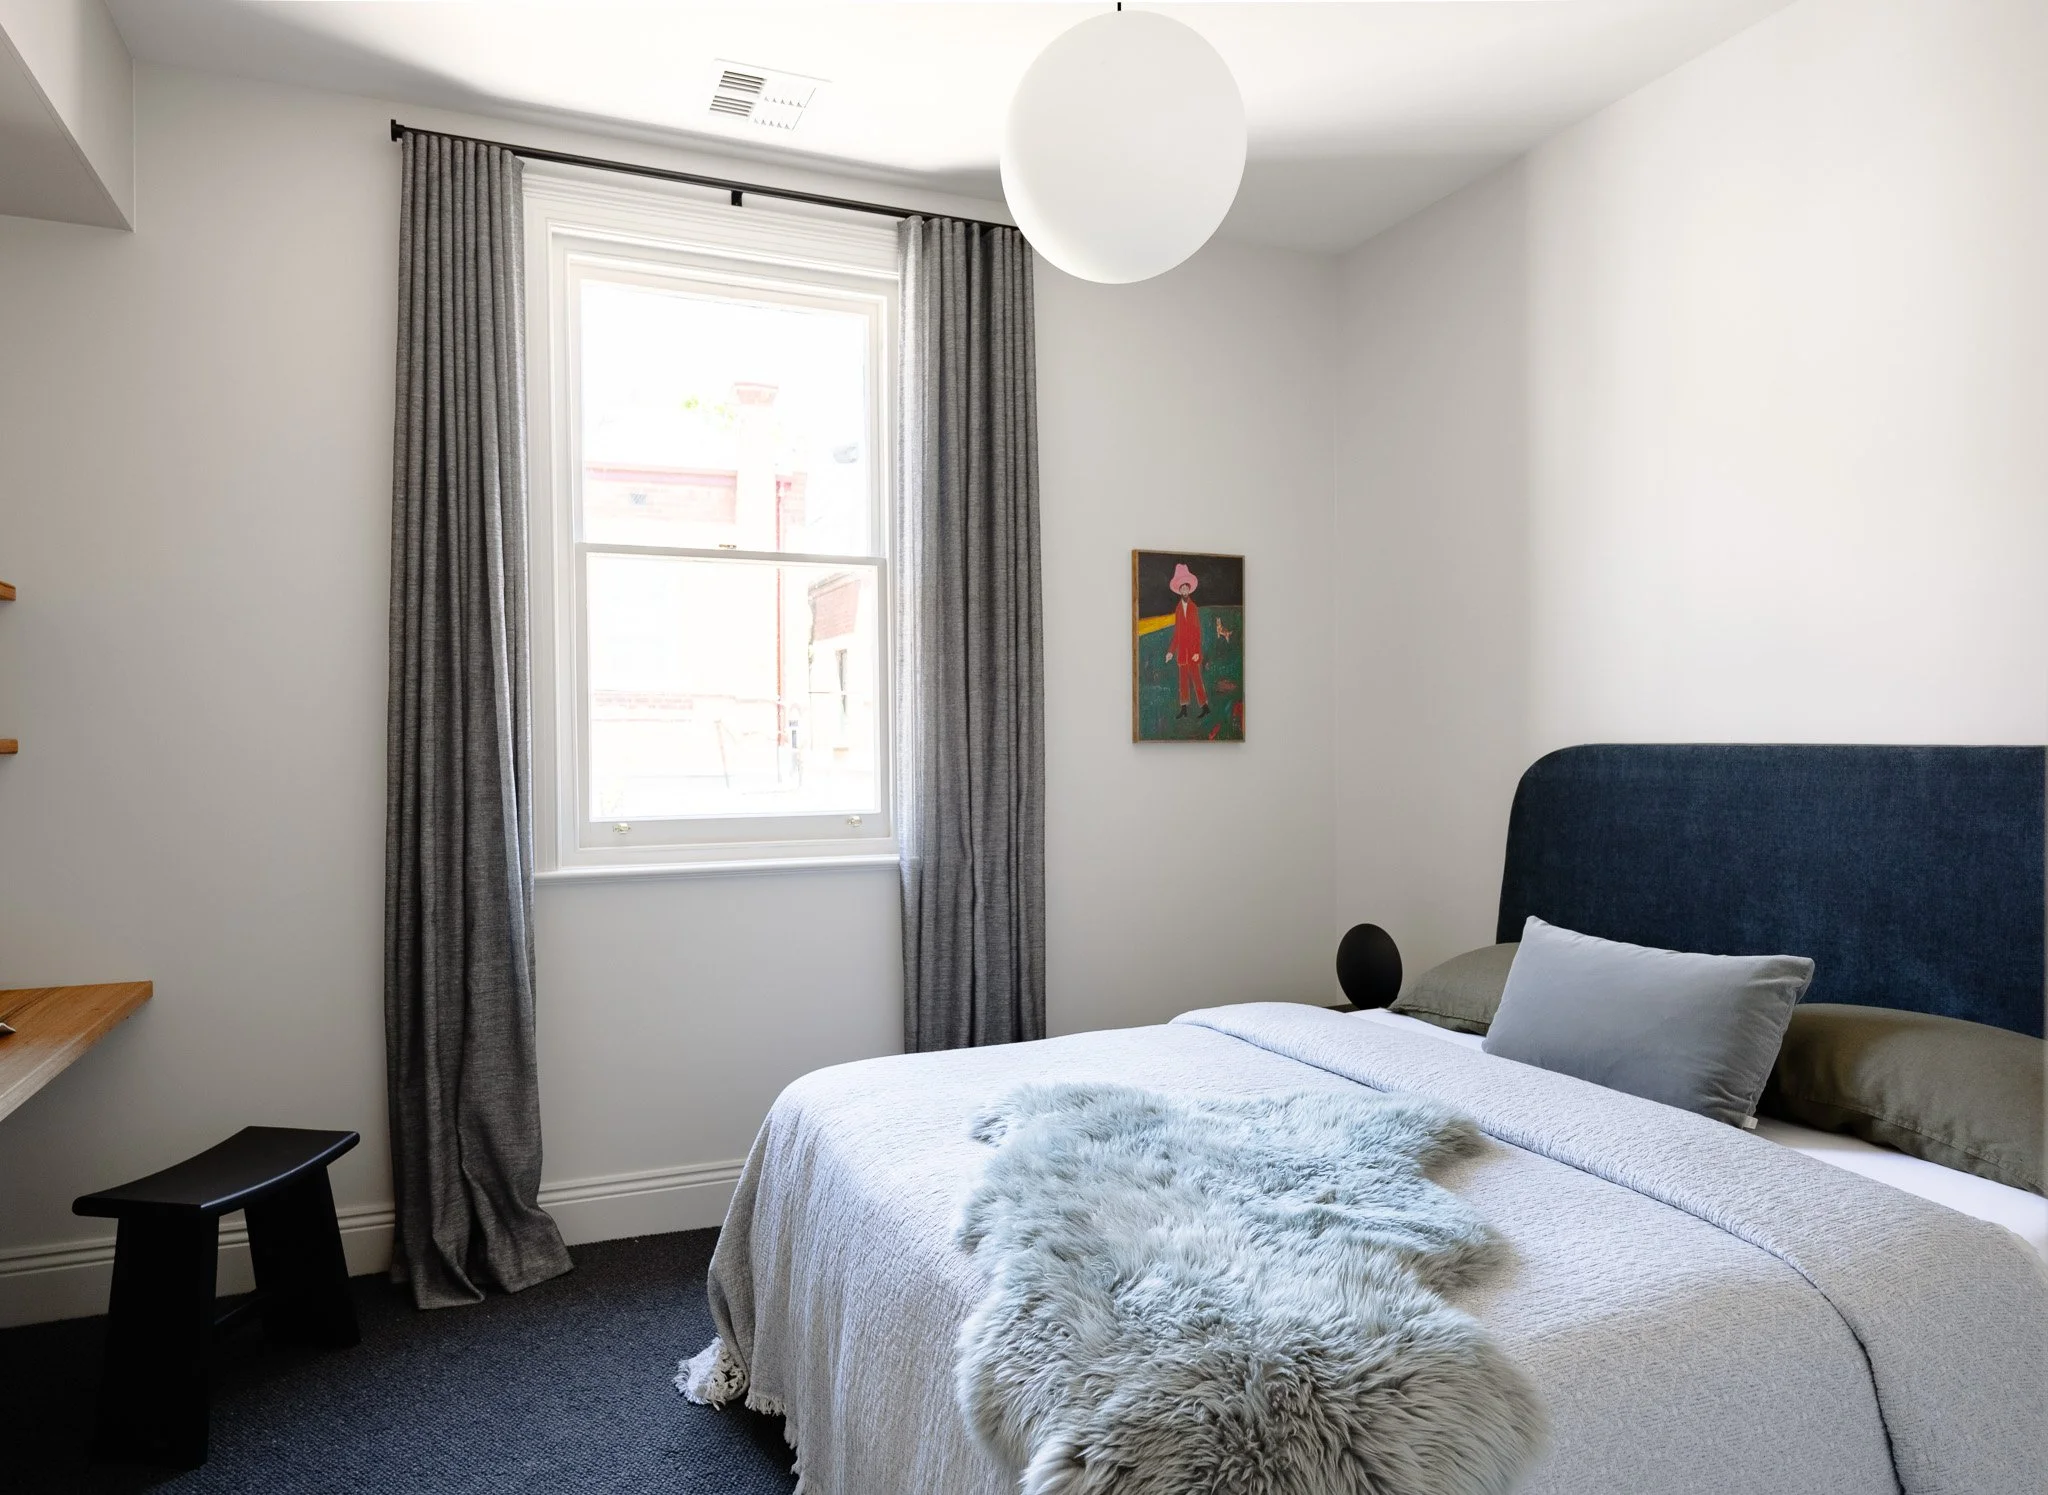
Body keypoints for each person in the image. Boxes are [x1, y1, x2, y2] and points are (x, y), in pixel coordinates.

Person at [1162, 562, 1210, 718]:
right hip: (1182, 652)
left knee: (1196, 678)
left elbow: (1197, 632)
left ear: (1189, 589)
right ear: (1179, 591)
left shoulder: (1194, 608)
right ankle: (1184, 709)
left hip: (1192, 652)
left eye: (1186, 587)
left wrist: (1197, 651)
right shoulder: (1177, 609)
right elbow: (1177, 633)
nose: (1184, 590)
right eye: (1181, 588)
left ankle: (1205, 706)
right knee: (1183, 681)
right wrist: (1170, 651)